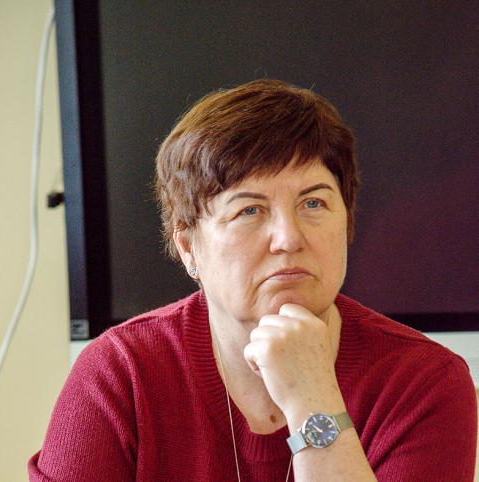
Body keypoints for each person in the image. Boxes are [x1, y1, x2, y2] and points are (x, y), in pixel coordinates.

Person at [28, 79, 477, 481]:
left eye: (314, 204)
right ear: (188, 247)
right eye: (249, 210)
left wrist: (312, 398)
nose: (289, 238)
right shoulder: (119, 371)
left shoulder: (426, 382)